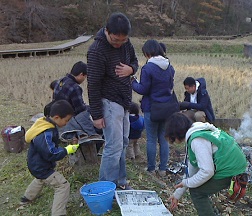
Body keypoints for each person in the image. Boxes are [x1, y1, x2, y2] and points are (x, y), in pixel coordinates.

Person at [87, 12, 138, 190]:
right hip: (108, 101)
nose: (119, 44)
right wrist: (96, 114)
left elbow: (134, 60)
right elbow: (93, 83)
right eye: (115, 40)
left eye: (122, 41)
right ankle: (106, 188)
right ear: (107, 31)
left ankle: (121, 182)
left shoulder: (126, 43)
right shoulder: (96, 50)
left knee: (123, 143)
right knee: (113, 146)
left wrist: (131, 69)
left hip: (124, 101)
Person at [165, 113, 247, 216]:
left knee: (197, 192)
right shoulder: (199, 131)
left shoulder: (197, 140)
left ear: (175, 133)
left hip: (230, 169)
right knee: (198, 185)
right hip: (235, 164)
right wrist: (177, 194)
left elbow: (207, 171)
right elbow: (192, 169)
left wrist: (187, 182)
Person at [20, 100, 80, 216]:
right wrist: (67, 150)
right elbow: (51, 153)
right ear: (57, 117)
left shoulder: (44, 124)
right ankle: (58, 213)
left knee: (40, 179)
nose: (67, 123)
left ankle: (27, 198)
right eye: (66, 120)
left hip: (37, 165)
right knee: (62, 185)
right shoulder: (45, 132)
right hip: (41, 166)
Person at [132, 39, 174, 177]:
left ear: (148, 52)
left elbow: (143, 89)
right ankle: (162, 169)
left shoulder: (147, 68)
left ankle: (151, 169)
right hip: (167, 108)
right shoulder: (169, 66)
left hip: (152, 107)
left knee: (151, 139)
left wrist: (133, 82)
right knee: (163, 138)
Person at [53, 61, 102, 140]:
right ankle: (92, 134)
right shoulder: (75, 87)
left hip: (57, 111)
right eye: (85, 77)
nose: (84, 79)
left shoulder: (61, 80)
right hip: (69, 116)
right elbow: (80, 109)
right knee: (88, 112)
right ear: (81, 74)